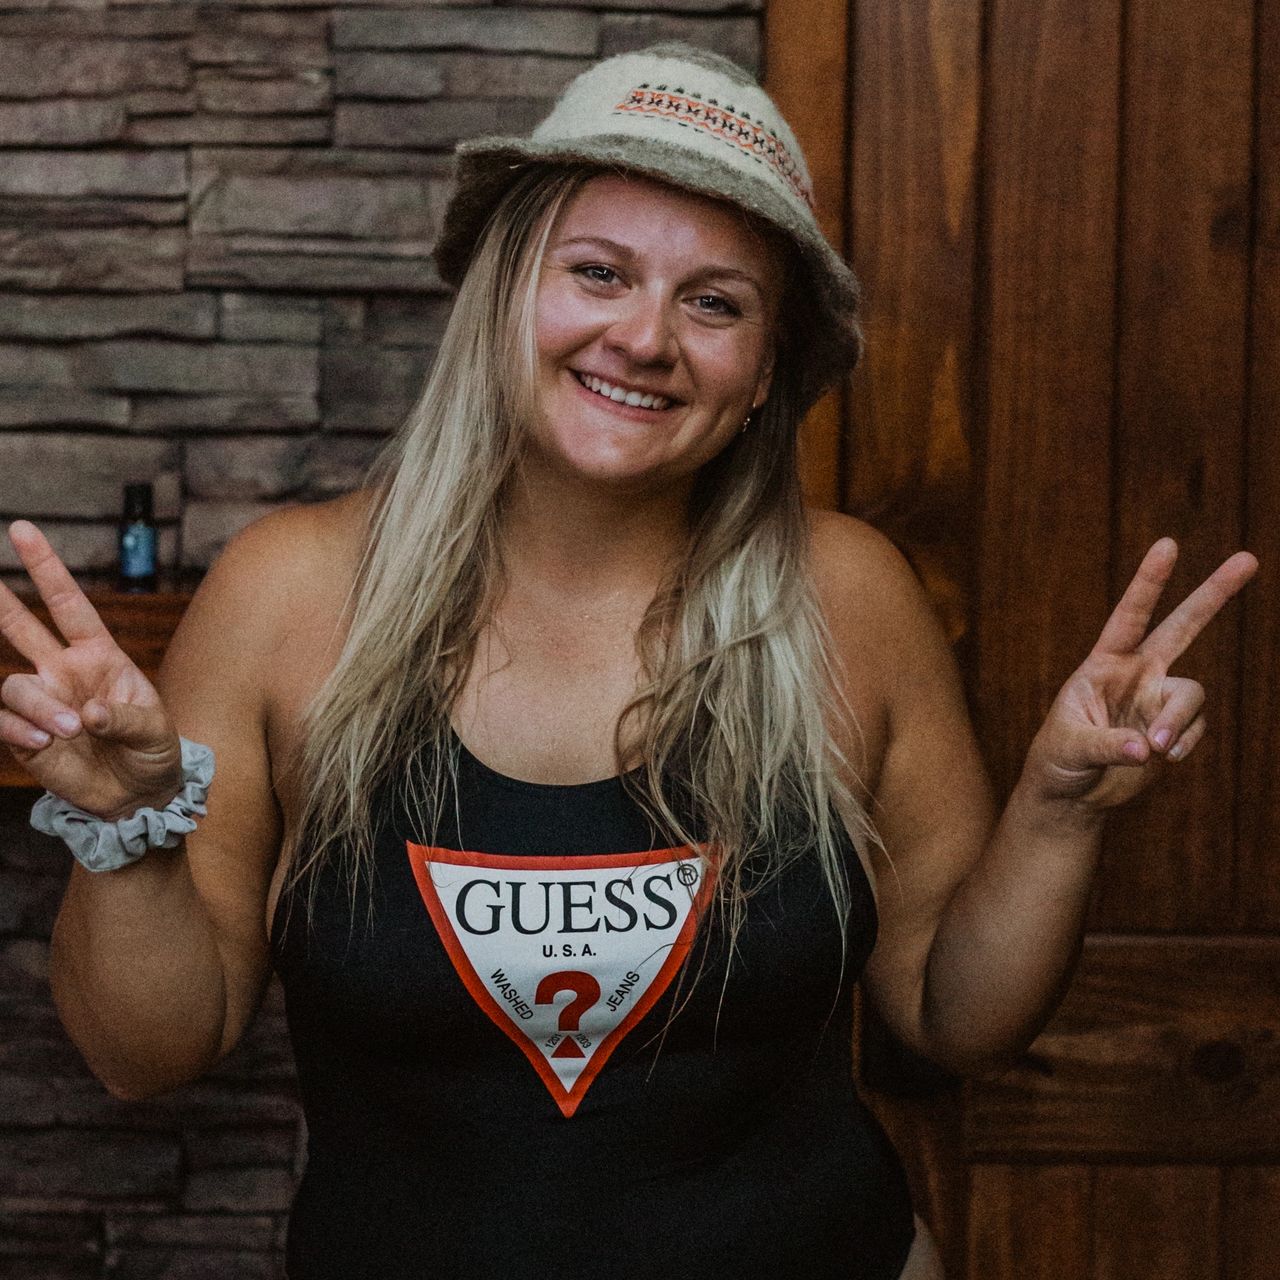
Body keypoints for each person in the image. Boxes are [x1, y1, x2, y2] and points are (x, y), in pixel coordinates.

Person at [0, 43, 1257, 1280]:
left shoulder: (850, 596)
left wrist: (1055, 813)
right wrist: (125, 828)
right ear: (505, 293)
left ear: (765, 372)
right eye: (597, 272)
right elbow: (146, 1051)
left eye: (714, 301)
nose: (645, 337)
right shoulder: (287, 595)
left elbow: (951, 1012)